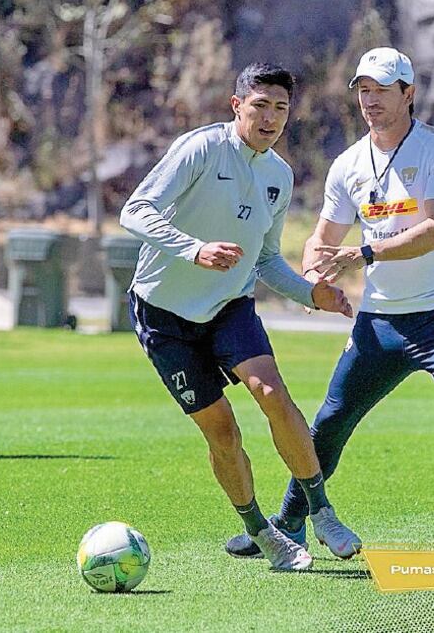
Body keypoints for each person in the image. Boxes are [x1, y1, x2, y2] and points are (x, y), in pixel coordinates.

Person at [225, 47, 434, 557]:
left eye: (381, 90)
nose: (369, 100)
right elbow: (322, 238)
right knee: (330, 422)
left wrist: (364, 252)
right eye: (362, 90)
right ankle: (289, 523)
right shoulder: (349, 163)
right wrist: (315, 275)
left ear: (408, 93)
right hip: (381, 321)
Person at [120, 63, 362, 571]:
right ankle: (263, 533)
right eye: (260, 106)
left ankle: (322, 511)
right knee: (223, 431)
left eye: (281, 109)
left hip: (230, 306)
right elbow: (135, 211)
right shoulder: (200, 149)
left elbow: (266, 258)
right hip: (164, 316)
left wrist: (310, 293)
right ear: (237, 106)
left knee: (272, 393)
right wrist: (194, 250)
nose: (271, 118)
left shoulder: (279, 174)